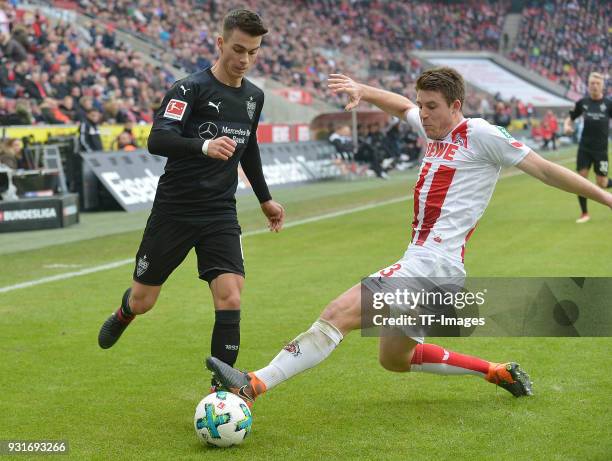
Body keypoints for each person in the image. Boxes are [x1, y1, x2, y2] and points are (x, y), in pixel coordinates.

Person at [206, 67, 612, 405]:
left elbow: (545, 169)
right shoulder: (433, 128)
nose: (423, 113)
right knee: (395, 359)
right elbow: (400, 106)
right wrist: (363, 90)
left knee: (337, 315)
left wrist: (605, 197)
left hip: (430, 265)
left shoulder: (481, 135)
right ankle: (494, 370)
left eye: (432, 107)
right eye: (422, 104)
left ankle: (253, 383)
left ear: (456, 106)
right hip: (437, 269)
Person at [97, 10, 285, 390]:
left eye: (253, 52)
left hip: (219, 212)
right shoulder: (189, 89)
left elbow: (248, 149)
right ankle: (125, 311)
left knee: (231, 295)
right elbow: (157, 140)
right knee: (145, 300)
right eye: (237, 49)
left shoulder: (254, 96)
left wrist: (265, 199)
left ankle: (223, 390)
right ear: (220, 43)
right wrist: (203, 145)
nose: (244, 59)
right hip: (175, 211)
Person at [563, 72, 612, 223]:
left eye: (597, 83)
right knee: (581, 180)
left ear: (602, 86)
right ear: (588, 85)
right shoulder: (582, 103)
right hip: (584, 148)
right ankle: (584, 213)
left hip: (601, 150)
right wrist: (566, 126)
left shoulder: (609, 104)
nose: (595, 86)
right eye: (592, 83)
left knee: (602, 183)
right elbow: (570, 118)